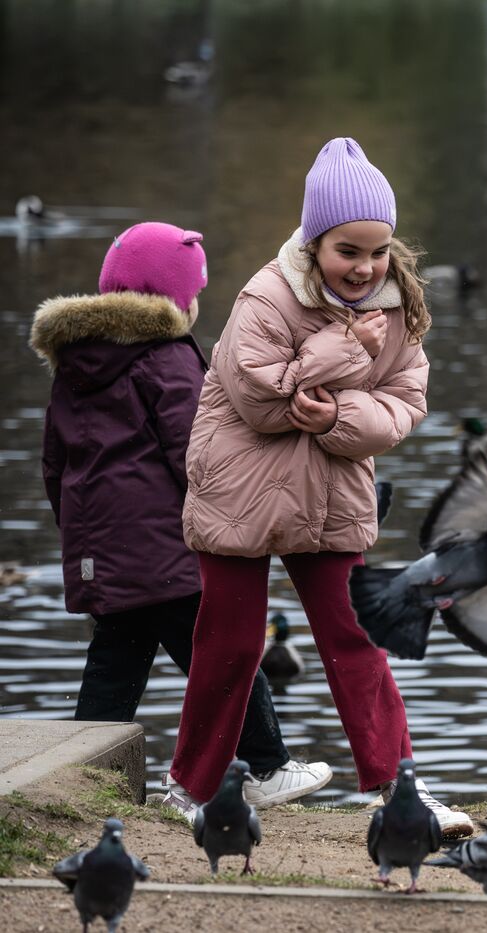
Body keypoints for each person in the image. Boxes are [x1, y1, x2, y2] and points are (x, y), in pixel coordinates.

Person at [167, 138, 472, 837]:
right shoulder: (266, 295)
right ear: (313, 241)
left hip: (329, 491)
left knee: (357, 635)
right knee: (231, 641)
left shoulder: (398, 309)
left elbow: (404, 404)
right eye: (348, 250)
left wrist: (338, 415)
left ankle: (401, 789)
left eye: (378, 250)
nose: (365, 267)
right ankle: (192, 783)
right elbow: (258, 401)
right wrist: (343, 353)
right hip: (239, 490)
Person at [31, 222, 332, 820]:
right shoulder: (167, 359)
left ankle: (83, 777)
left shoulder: (75, 366)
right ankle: (267, 766)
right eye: (194, 293)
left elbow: (53, 465)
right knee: (223, 651)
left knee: (117, 657)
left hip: (105, 552)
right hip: (170, 547)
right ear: (175, 301)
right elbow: (197, 453)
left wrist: (82, 539)